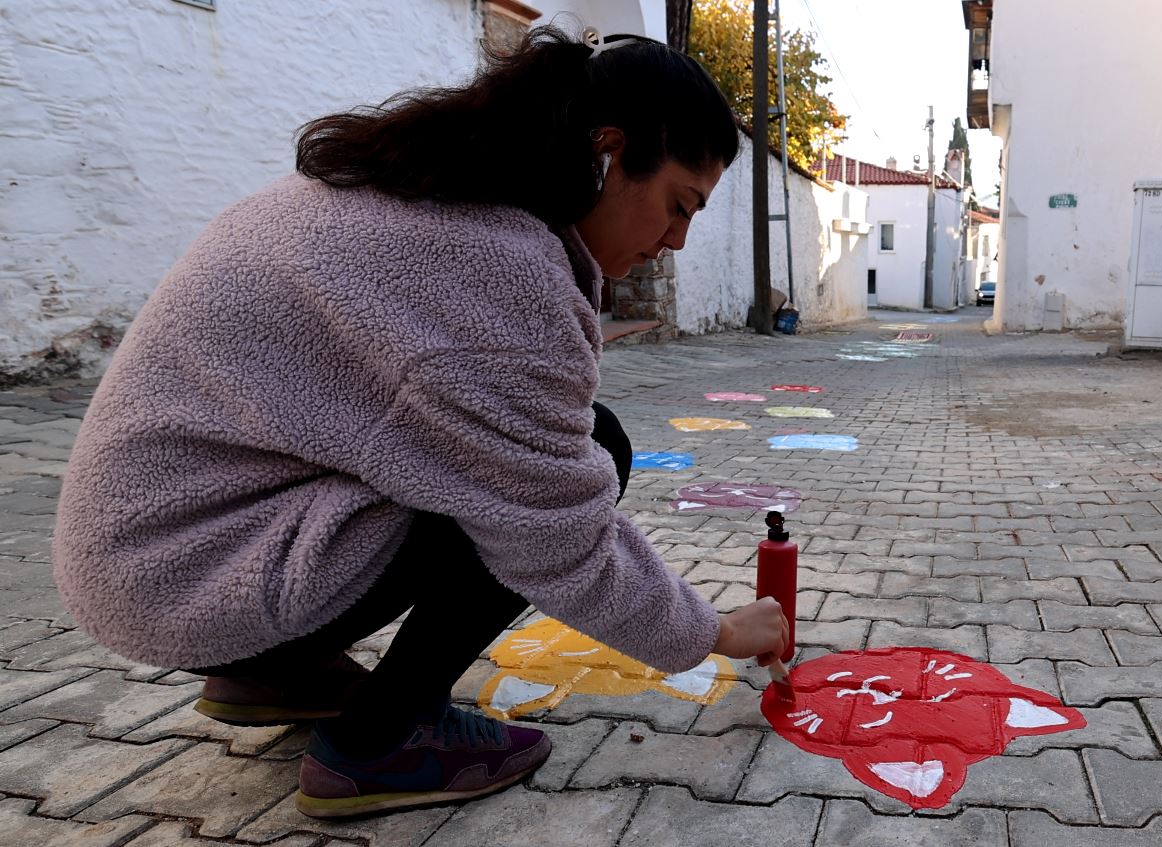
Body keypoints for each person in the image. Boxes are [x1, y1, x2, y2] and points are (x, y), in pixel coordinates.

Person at [51, 26, 789, 819]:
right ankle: (377, 743)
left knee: (502, 460)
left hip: (147, 559)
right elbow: (559, 540)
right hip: (185, 576)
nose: (675, 241)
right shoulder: (497, 274)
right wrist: (713, 631)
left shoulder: (424, 199)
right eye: (679, 205)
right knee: (580, 456)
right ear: (608, 151)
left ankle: (275, 676)